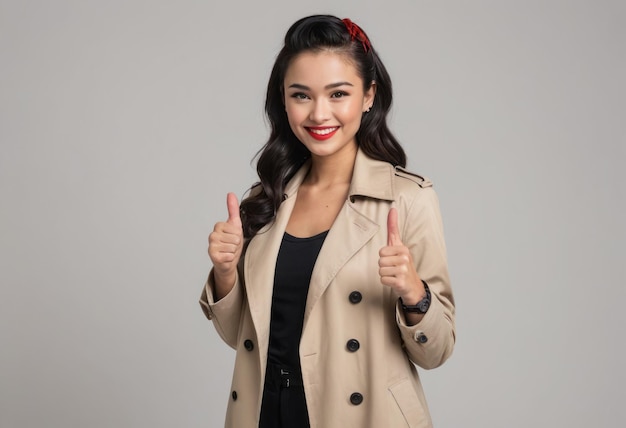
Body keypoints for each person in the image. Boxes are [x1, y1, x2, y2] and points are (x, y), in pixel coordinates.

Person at [200, 14, 455, 428]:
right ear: (283, 100)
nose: (320, 114)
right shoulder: (265, 200)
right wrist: (226, 273)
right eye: (302, 95)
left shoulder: (406, 199)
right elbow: (243, 340)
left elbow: (436, 351)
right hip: (266, 412)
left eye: (338, 94)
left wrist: (414, 294)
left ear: (369, 95)